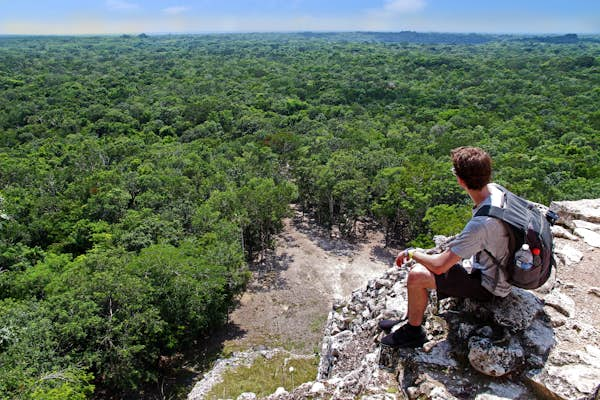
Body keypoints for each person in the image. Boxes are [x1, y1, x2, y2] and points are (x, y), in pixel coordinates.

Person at [380, 146, 512, 348]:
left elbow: (440, 266)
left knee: (416, 275)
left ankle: (413, 332)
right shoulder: (496, 191)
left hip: (490, 285)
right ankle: (409, 319)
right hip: (499, 267)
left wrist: (413, 253)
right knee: (434, 264)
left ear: (460, 180)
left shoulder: (482, 224)